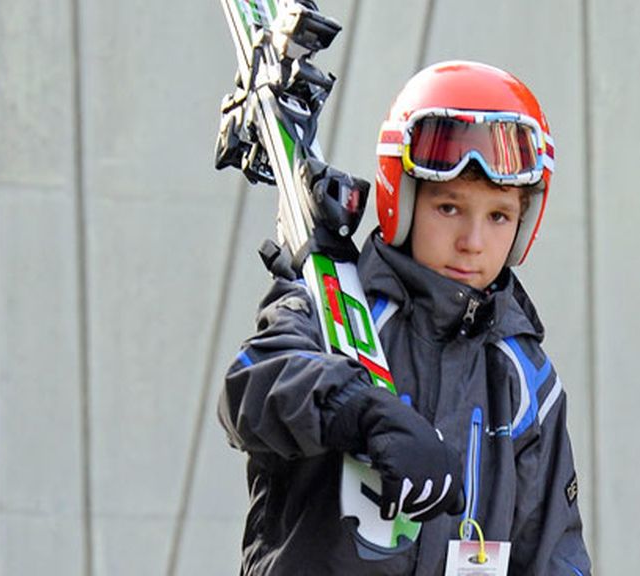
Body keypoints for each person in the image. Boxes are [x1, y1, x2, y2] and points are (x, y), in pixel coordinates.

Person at [218, 60, 593, 575]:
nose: (473, 241)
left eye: (499, 215)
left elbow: (553, 554)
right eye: (449, 208)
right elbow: (250, 390)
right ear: (404, 199)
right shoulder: (334, 306)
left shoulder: (525, 380)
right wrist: (364, 413)